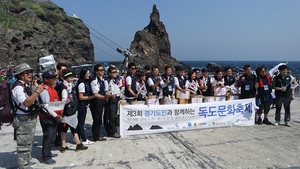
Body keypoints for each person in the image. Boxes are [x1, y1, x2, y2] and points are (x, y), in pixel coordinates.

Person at [12, 63, 44, 168]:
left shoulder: (24, 85)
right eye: (28, 73)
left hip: (28, 117)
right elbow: (26, 103)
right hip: (23, 119)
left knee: (28, 141)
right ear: (21, 75)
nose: (30, 74)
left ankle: (27, 162)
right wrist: (37, 92)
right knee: (24, 144)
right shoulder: (18, 88)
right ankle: (24, 166)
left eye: (31, 72)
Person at [39, 70, 63, 164]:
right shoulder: (44, 90)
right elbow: (46, 105)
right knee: (49, 136)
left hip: (52, 116)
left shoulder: (50, 87)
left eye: (54, 78)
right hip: (47, 116)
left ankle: (48, 152)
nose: (54, 80)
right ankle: (46, 156)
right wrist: (56, 115)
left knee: (52, 135)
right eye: (52, 78)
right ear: (46, 79)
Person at [60, 69, 88, 152]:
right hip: (68, 110)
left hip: (70, 110)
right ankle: (78, 144)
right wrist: (69, 99)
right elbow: (64, 100)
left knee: (65, 129)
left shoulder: (68, 85)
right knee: (73, 127)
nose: (72, 79)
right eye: (71, 77)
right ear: (66, 78)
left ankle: (64, 145)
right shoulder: (64, 88)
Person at [90, 64, 109, 141]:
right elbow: (95, 94)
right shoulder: (94, 80)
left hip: (101, 101)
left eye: (103, 70)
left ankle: (97, 134)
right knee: (97, 119)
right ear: (96, 71)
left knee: (100, 119)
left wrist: (107, 94)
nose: (102, 71)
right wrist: (104, 97)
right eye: (100, 70)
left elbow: (104, 89)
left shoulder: (102, 79)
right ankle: (96, 136)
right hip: (96, 102)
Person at [75, 68, 95, 145]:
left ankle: (78, 137)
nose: (88, 75)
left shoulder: (85, 82)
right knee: (81, 122)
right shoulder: (82, 84)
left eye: (89, 74)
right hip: (81, 105)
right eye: (87, 74)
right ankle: (84, 139)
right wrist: (91, 97)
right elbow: (81, 97)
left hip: (84, 105)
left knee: (80, 122)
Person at [104, 66, 122, 138]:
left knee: (114, 115)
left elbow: (119, 89)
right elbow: (105, 91)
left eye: (116, 72)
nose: (115, 74)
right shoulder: (107, 81)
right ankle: (111, 131)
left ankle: (111, 129)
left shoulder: (116, 80)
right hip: (111, 100)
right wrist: (110, 95)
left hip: (116, 99)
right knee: (111, 116)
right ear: (109, 73)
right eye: (113, 72)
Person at [54, 63, 67, 147]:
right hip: (57, 103)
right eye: (63, 70)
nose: (65, 72)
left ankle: (61, 139)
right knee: (58, 123)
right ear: (58, 71)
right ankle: (57, 140)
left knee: (63, 123)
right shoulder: (57, 80)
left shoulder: (65, 79)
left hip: (65, 103)